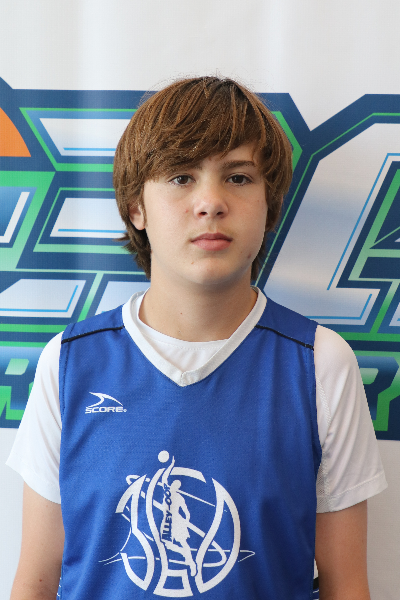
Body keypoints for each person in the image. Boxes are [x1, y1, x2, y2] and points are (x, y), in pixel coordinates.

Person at [7, 76, 387, 600]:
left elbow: (347, 586)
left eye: (238, 177)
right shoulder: (70, 363)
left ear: (269, 204)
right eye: (181, 177)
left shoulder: (320, 363)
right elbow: (36, 580)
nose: (210, 202)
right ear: (136, 208)